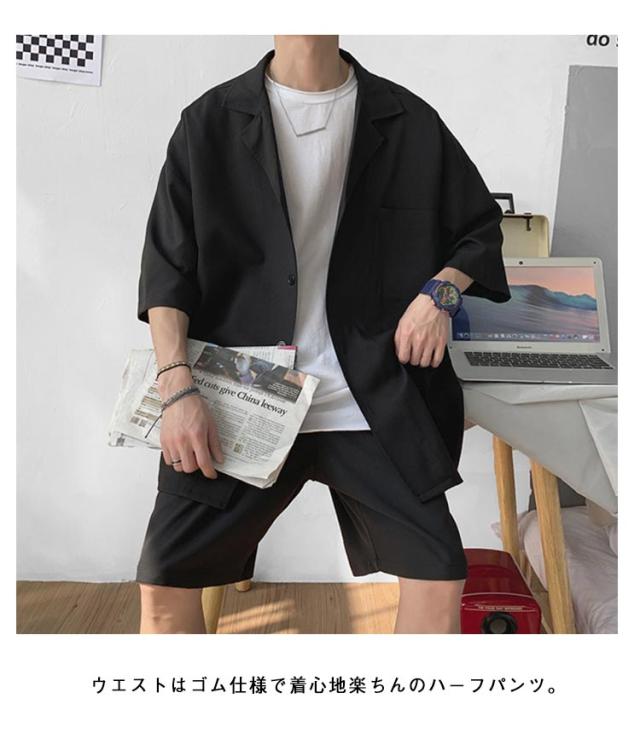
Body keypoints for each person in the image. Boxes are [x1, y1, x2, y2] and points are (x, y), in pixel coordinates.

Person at [134, 35, 510, 634]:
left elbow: (480, 228)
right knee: (163, 582)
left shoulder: (408, 119)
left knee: (439, 575)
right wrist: (177, 391)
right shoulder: (209, 122)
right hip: (245, 394)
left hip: (366, 394)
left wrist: (439, 295)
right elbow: (168, 273)